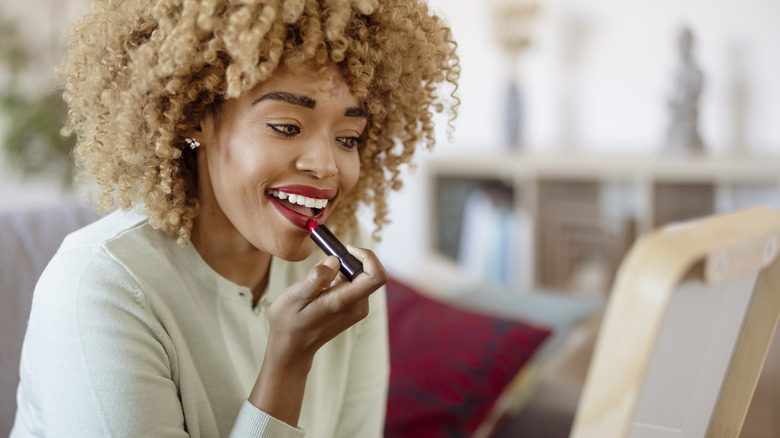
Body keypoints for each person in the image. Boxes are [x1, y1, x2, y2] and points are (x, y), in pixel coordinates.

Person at [10, 0, 459, 436]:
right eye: (287, 127)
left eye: (348, 138)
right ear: (195, 116)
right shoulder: (101, 286)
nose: (326, 166)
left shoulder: (344, 262)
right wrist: (289, 361)